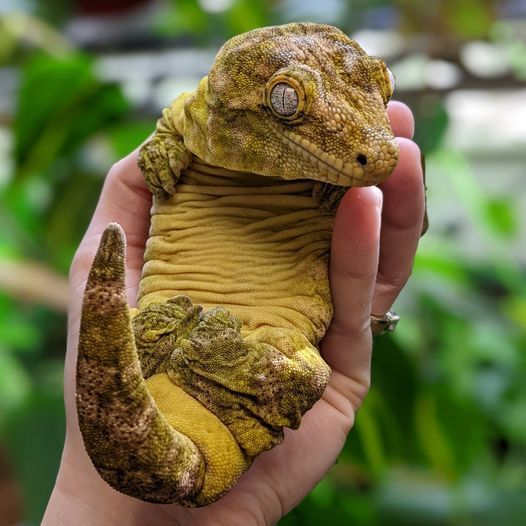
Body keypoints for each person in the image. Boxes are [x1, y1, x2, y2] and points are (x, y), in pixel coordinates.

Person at [42, 101, 425, 525]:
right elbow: (174, 126)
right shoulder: (200, 115)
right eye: (287, 100)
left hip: (233, 369)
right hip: (180, 373)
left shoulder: (333, 147)